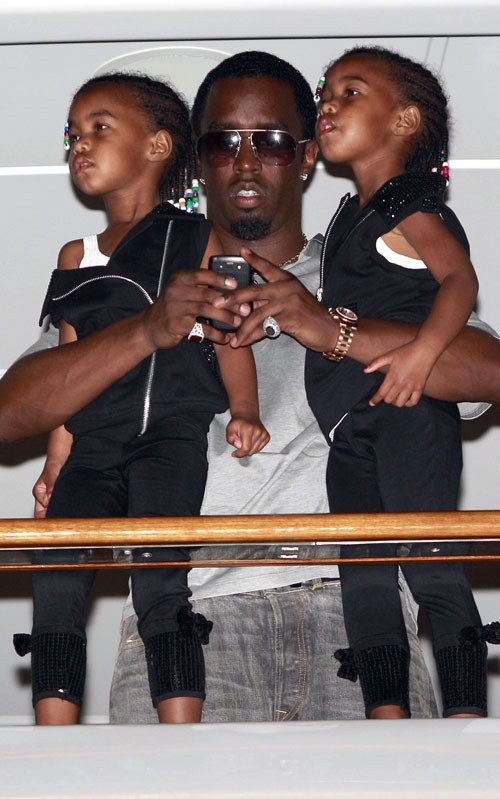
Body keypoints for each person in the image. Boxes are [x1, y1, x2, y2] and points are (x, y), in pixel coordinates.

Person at [1, 51, 498, 723]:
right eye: (221, 142)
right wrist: (148, 328)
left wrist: (328, 327)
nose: (243, 160)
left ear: (306, 156)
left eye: (269, 141)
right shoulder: (130, 275)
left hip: (354, 618)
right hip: (187, 613)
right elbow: (12, 412)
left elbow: (487, 371)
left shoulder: (370, 266)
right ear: (195, 161)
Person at [221, 48, 499, 721]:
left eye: (351, 92)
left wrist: (419, 356)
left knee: (431, 563)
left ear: (404, 120)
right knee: (363, 575)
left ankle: (465, 716)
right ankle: (385, 713)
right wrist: (286, 316)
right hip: (349, 427)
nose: (330, 105)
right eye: (329, 93)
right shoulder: (353, 216)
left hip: (406, 412)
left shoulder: (408, 201)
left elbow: (460, 281)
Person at [14, 71, 268, 726]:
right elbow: (68, 366)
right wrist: (54, 464)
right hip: (92, 449)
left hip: (169, 442)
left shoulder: (199, 237)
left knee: (160, 577)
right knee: (55, 575)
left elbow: (229, 338)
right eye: (73, 133)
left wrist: (245, 410)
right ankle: (53, 734)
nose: (80, 143)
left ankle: (180, 730)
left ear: (157, 146)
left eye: (99, 127)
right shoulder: (76, 255)